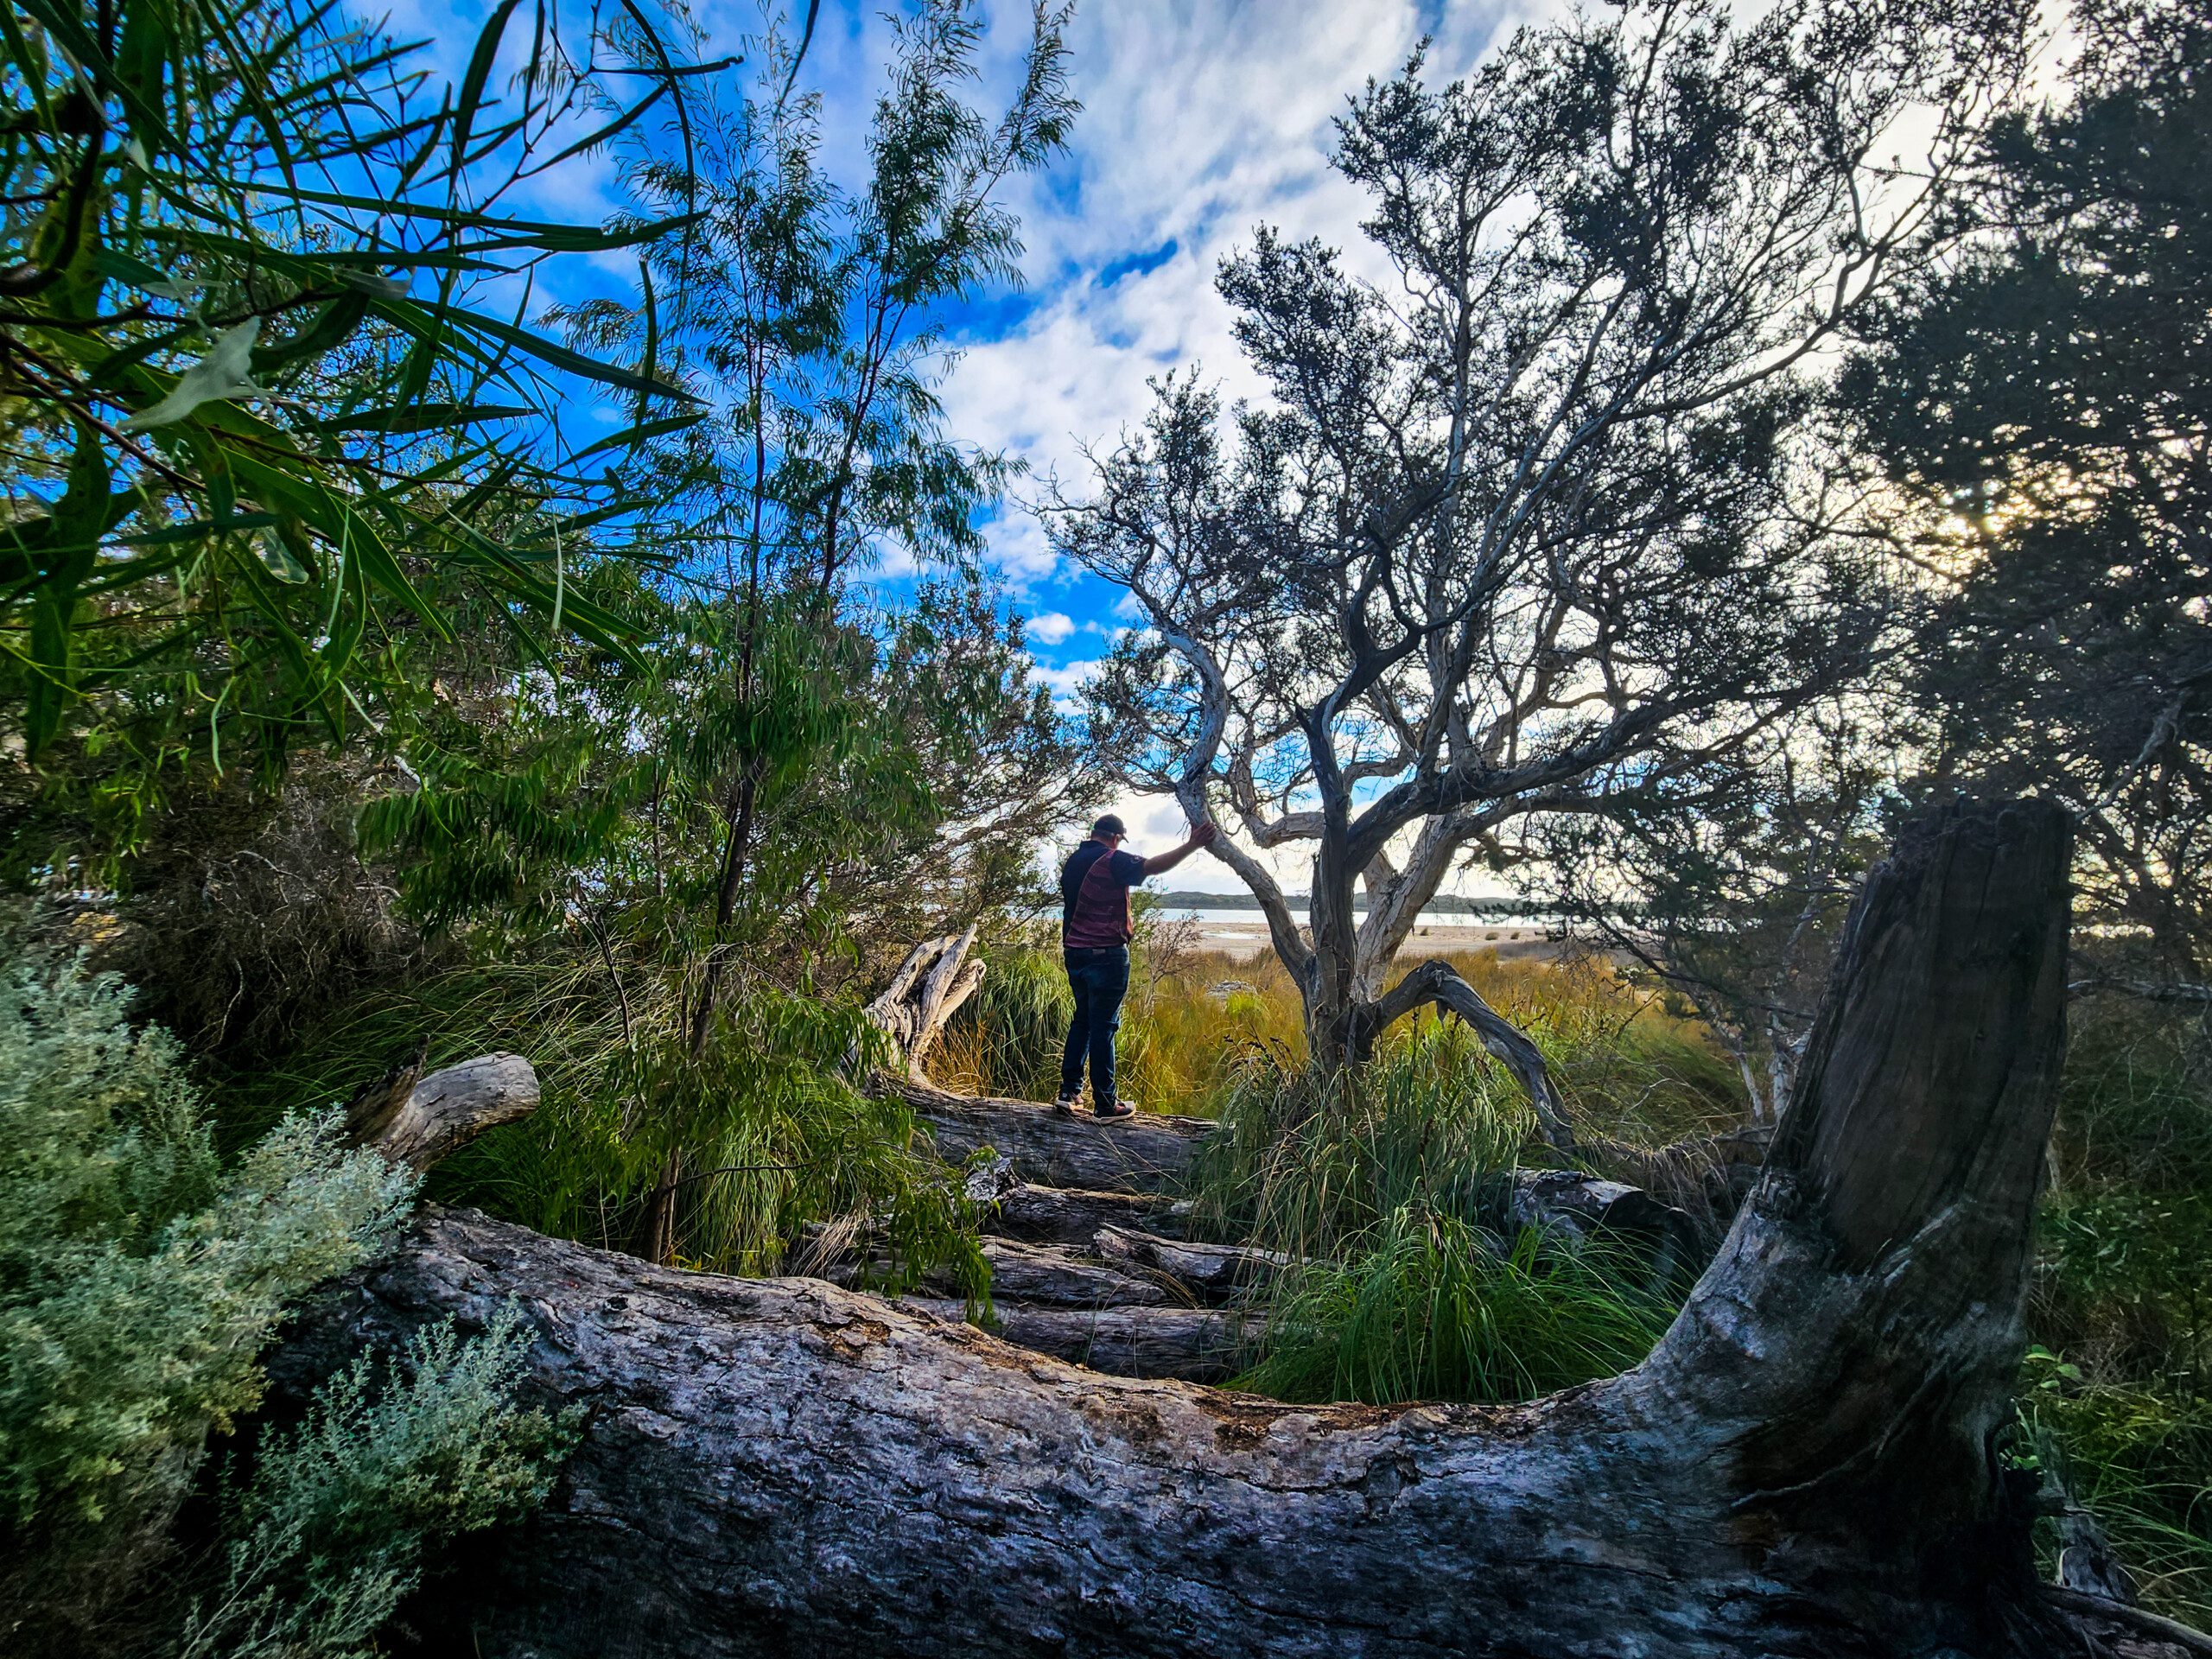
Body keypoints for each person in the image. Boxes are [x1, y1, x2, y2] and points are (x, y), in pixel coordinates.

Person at [1056, 812, 1217, 1118]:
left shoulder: (1074, 861)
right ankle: (1106, 1103)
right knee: (1104, 1026)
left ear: (1093, 833)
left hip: (1074, 953)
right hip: (1106, 955)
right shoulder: (1111, 859)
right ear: (1116, 838)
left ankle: (1069, 1093)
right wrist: (1192, 845)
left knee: (1083, 1021)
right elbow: (1151, 866)